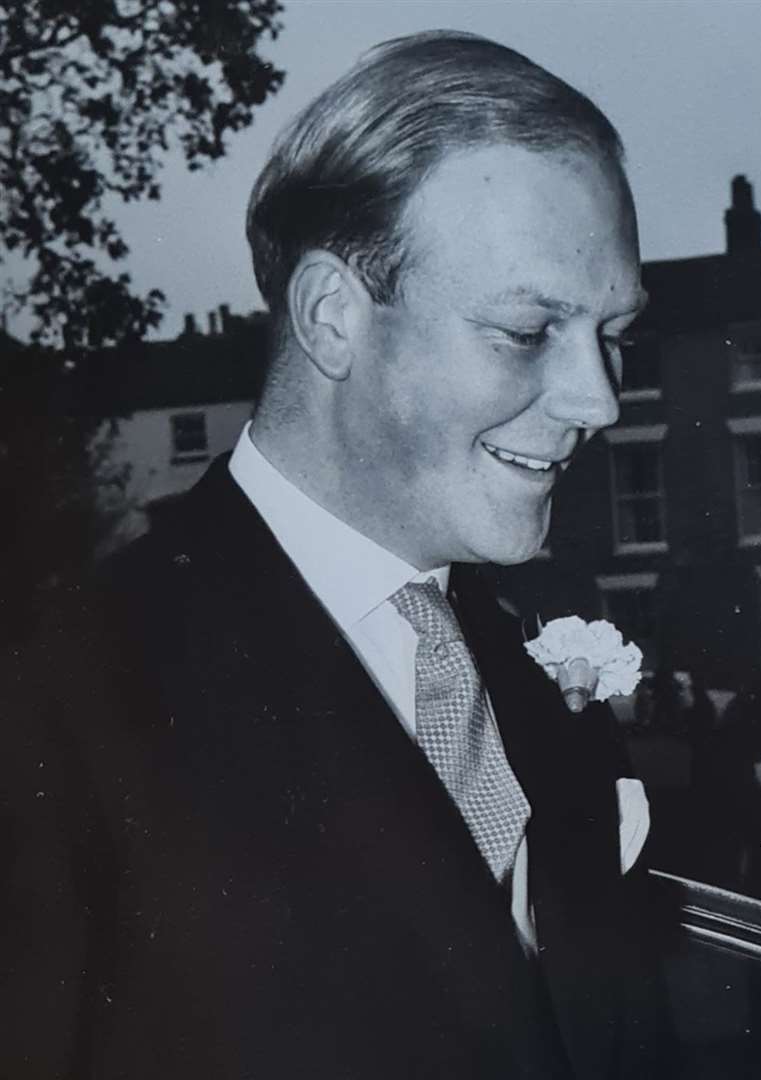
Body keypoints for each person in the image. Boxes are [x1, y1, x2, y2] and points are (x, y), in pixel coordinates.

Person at [1, 32, 666, 1078]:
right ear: (330, 317)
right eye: (527, 331)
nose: (599, 398)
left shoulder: (538, 705)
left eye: (612, 332)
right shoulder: (58, 701)